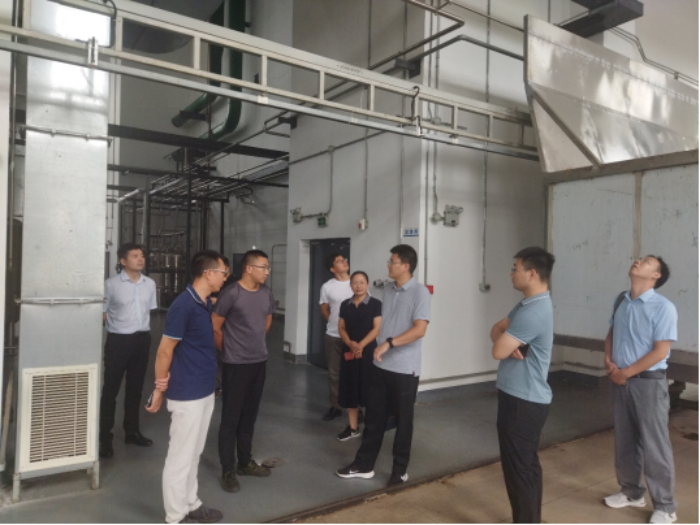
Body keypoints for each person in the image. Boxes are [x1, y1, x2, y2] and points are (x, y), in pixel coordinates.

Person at [336, 244, 430, 486]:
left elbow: (420, 330)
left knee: (404, 423)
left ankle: (399, 470)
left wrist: (388, 343)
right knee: (374, 419)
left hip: (405, 369)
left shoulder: (420, 292)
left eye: (392, 261)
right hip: (380, 367)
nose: (388, 265)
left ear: (406, 266)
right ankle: (363, 465)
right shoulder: (387, 289)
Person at [146, 250, 227, 524]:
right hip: (187, 393)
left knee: (194, 453)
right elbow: (164, 351)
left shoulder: (203, 303)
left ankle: (191, 503)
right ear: (208, 273)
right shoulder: (183, 305)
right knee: (180, 456)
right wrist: (159, 389)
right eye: (223, 272)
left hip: (204, 389)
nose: (225, 278)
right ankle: (175, 516)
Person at [602, 255, 678, 525]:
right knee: (625, 440)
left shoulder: (663, 307)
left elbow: (660, 351)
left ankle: (666, 507)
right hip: (620, 380)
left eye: (646, 261)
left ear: (656, 275)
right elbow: (612, 332)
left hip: (648, 382)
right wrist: (609, 360)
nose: (638, 261)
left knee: (655, 446)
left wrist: (625, 373)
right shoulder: (621, 300)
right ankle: (632, 492)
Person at [490, 246, 555, 524]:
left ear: (532, 273)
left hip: (524, 401)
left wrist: (501, 334)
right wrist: (500, 334)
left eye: (515, 269)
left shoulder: (534, 311)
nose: (511, 274)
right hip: (518, 396)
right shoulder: (527, 304)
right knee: (524, 467)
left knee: (520, 470)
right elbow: (497, 334)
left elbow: (497, 349)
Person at [213, 249, 276, 493]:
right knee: (231, 417)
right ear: (248, 268)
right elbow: (215, 326)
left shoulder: (266, 293)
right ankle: (228, 469)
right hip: (235, 365)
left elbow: (267, 320)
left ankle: (245, 462)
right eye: (263, 267)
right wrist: (230, 349)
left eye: (268, 267)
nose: (267, 272)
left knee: (249, 415)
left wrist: (254, 341)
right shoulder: (231, 293)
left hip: (259, 362)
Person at [99, 243, 158, 459]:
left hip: (142, 340)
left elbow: (149, 311)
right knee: (111, 390)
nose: (140, 259)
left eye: (142, 255)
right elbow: (102, 313)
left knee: (135, 389)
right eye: (134, 256)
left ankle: (131, 432)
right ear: (123, 261)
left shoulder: (150, 284)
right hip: (118, 341)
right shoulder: (111, 285)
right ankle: (104, 439)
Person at [336, 271, 382, 441]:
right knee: (350, 388)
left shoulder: (375, 304)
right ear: (351, 285)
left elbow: (376, 329)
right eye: (355, 282)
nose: (358, 286)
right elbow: (341, 327)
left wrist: (360, 345)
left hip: (368, 352)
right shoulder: (345, 304)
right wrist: (350, 344)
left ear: (367, 284)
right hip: (349, 351)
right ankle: (353, 428)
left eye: (362, 282)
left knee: (368, 389)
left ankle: (371, 429)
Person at [319, 253, 354, 421]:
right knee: (334, 374)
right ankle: (335, 406)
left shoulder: (356, 282)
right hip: (333, 336)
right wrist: (336, 324)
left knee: (354, 373)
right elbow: (324, 308)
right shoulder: (327, 287)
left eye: (344, 259)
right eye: (339, 261)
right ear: (333, 268)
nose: (344, 262)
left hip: (354, 337)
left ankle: (356, 407)